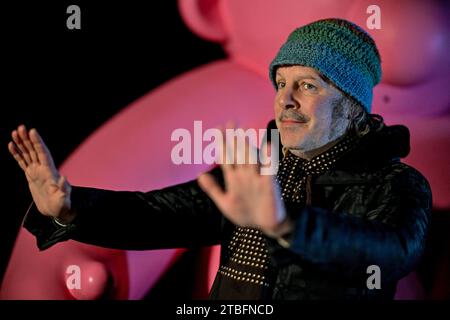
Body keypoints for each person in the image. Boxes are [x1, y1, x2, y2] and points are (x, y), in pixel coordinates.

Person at [8, 18, 431, 300]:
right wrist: (70, 208)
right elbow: (158, 214)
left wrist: (286, 225)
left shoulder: (395, 183)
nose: (285, 99)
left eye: (308, 86)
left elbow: (388, 253)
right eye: (281, 82)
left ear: (352, 104)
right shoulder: (257, 170)